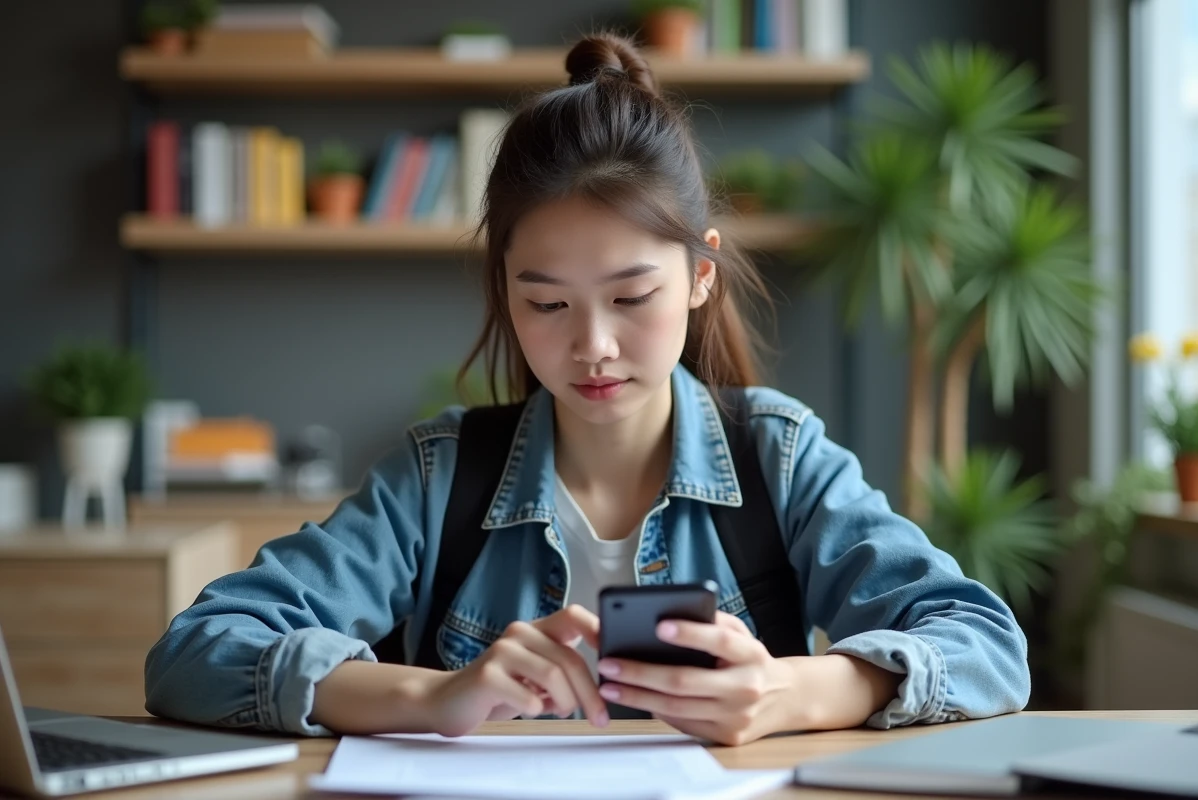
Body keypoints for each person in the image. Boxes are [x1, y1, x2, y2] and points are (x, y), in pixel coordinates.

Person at [144, 33, 1030, 747]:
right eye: (547, 303)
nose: (593, 346)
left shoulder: (781, 455)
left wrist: (788, 692)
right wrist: (432, 697)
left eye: (631, 297)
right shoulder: (437, 476)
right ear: (505, 293)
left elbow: (986, 645)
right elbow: (194, 653)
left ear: (699, 275)